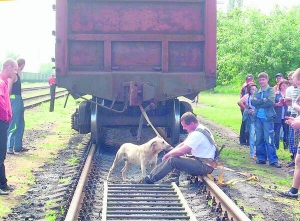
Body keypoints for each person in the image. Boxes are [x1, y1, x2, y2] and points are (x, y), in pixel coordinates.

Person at [132, 112, 216, 185]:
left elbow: (182, 151)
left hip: (204, 166)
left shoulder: (197, 134)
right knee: (174, 153)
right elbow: (183, 144)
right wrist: (172, 151)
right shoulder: (200, 129)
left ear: (192, 123)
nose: (183, 128)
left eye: (185, 126)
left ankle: (149, 179)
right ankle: (174, 179)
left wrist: (167, 155)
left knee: (172, 160)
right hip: (202, 162)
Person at [251, 72, 281, 168]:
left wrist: (260, 101)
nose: (261, 81)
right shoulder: (257, 91)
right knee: (259, 138)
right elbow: (253, 102)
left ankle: (273, 160)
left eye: (263, 79)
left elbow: (270, 103)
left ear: (267, 80)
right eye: (260, 80)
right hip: (258, 118)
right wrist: (263, 100)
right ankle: (261, 159)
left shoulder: (271, 90)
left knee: (269, 139)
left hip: (267, 118)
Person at [0, 59, 18, 195]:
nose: (16, 72)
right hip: (1, 122)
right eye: (15, 69)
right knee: (0, 154)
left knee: (2, 154)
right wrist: (6, 116)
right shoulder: (1, 83)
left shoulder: (4, 82)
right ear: (8, 68)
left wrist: (9, 114)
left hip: (3, 122)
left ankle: (3, 184)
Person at [7, 58, 27, 154]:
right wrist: (7, 101)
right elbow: (9, 89)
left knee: (20, 123)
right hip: (14, 100)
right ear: (22, 65)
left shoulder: (17, 74)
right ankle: (9, 147)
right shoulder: (14, 75)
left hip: (18, 99)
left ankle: (18, 146)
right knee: (14, 123)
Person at [238, 83, 257, 158]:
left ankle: (258, 152)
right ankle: (252, 152)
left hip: (258, 117)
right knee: (252, 134)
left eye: (255, 89)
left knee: (258, 136)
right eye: (252, 89)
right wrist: (246, 108)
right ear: (249, 90)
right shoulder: (247, 96)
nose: (254, 91)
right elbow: (239, 102)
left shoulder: (259, 96)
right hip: (251, 118)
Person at [274, 80, 289, 150]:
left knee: (286, 131)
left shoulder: (289, 94)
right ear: (280, 86)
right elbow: (272, 104)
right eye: (283, 85)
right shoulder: (276, 94)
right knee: (276, 131)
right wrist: (277, 104)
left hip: (286, 115)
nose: (285, 87)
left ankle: (286, 146)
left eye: (286, 85)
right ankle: (276, 146)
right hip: (278, 115)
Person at [239, 74, 254, 145]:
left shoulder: (253, 86)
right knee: (245, 123)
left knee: (249, 124)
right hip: (245, 108)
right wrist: (245, 108)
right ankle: (243, 140)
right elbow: (241, 98)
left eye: (250, 79)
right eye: (248, 79)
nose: (249, 80)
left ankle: (247, 140)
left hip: (250, 108)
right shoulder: (244, 87)